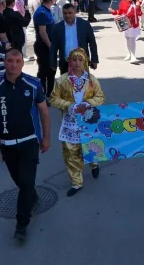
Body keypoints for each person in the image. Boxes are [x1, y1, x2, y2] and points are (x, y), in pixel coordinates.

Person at [0, 49, 51, 240]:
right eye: (10, 61)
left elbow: (44, 112)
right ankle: (32, 194)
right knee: (20, 181)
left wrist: (46, 137)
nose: (13, 65)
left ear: (23, 63)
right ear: (4, 62)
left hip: (29, 141)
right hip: (7, 144)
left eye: (17, 61)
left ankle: (21, 225)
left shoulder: (34, 84)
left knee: (26, 182)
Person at [48, 48, 104, 197]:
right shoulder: (62, 81)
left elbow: (100, 97)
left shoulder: (91, 80)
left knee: (90, 147)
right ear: (69, 61)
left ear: (85, 61)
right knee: (70, 152)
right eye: (74, 59)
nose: (77, 62)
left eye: (80, 59)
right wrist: (68, 105)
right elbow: (53, 98)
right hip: (70, 123)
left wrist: (88, 103)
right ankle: (76, 183)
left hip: (88, 121)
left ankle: (93, 163)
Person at [50, 3, 99, 75]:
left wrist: (94, 59)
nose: (67, 15)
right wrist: (52, 62)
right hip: (65, 63)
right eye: (65, 13)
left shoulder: (84, 25)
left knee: (82, 84)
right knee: (66, 85)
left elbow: (92, 43)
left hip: (81, 62)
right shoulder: (57, 27)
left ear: (75, 12)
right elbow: (53, 46)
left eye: (70, 13)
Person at [109, 0, 143, 64]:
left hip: (133, 24)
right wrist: (113, 11)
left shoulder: (136, 4)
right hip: (125, 23)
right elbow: (120, 12)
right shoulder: (122, 3)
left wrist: (138, 7)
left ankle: (133, 56)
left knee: (132, 39)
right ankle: (129, 54)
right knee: (127, 38)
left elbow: (140, 13)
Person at [34, 0, 57, 97]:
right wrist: (50, 46)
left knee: (51, 70)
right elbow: (43, 33)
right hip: (43, 46)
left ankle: (50, 93)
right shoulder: (42, 12)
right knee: (44, 72)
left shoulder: (47, 10)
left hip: (49, 45)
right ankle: (43, 94)